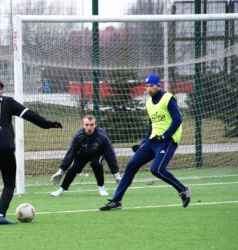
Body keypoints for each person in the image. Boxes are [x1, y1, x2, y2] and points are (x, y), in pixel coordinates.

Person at [0, 76, 62, 224]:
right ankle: (0, 215)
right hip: (5, 146)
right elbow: (29, 115)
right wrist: (48, 124)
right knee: (9, 182)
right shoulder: (7, 101)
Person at [100, 74, 190, 211]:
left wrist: (165, 136)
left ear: (159, 86)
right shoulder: (148, 103)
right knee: (131, 165)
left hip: (168, 141)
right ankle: (116, 201)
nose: (149, 88)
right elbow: (151, 124)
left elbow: (178, 120)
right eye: (147, 86)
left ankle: (183, 190)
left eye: (151, 86)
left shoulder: (168, 98)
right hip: (153, 141)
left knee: (157, 169)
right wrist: (143, 143)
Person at [50, 115, 121, 197]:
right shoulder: (78, 136)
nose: (89, 127)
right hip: (84, 154)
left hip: (98, 153)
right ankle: (62, 190)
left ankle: (101, 188)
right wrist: (61, 171)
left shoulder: (102, 136)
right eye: (87, 125)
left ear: (95, 125)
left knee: (95, 163)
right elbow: (70, 153)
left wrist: (117, 175)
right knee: (74, 168)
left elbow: (110, 155)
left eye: (91, 124)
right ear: (83, 125)